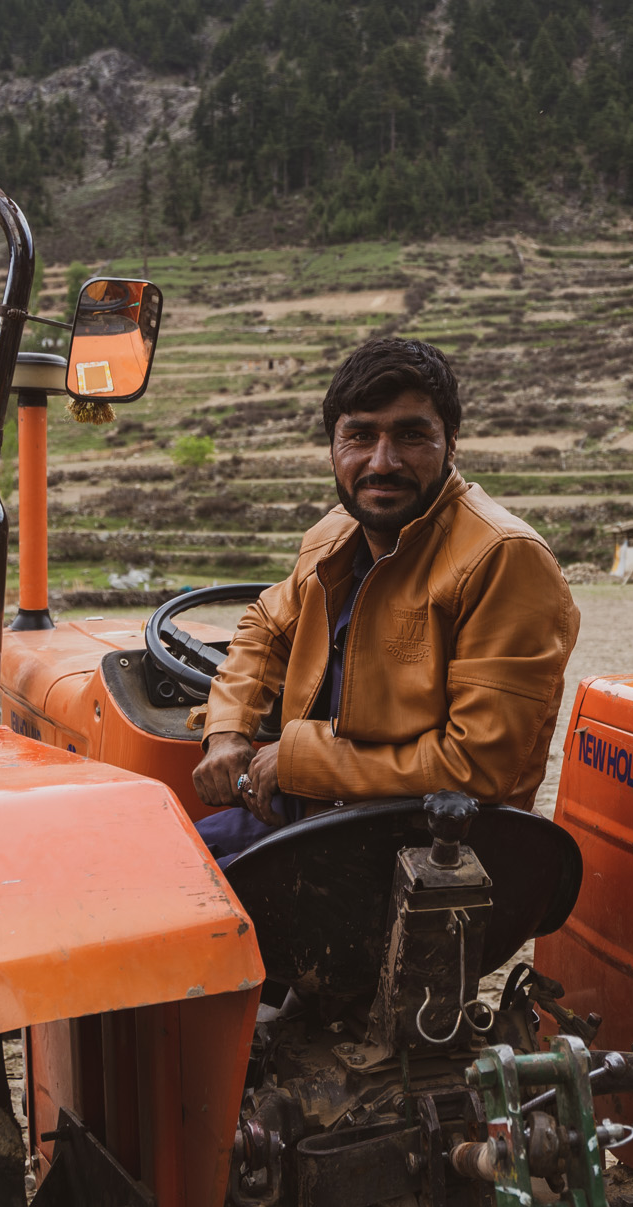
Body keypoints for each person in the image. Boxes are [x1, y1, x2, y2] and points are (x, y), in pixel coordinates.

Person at [192, 337, 578, 863]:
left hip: (409, 848)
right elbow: (266, 624)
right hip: (304, 819)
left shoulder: (503, 559)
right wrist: (227, 730)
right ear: (333, 445)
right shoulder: (336, 533)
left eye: (412, 436)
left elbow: (476, 768)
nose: (383, 461)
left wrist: (295, 760)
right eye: (360, 436)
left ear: (451, 443)